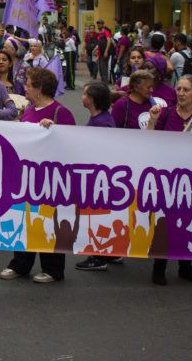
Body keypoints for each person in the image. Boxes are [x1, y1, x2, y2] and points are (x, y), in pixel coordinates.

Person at [0, 68, 76, 283]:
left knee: (48, 223)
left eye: (29, 84)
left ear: (40, 88)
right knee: (24, 220)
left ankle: (53, 269)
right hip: (26, 177)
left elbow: (73, 144)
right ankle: (21, 264)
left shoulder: (61, 113)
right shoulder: (30, 110)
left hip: (49, 180)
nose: (25, 88)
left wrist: (55, 131)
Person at [146, 75, 192, 285]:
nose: (181, 93)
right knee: (164, 223)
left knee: (188, 222)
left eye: (186, 89)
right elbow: (148, 141)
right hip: (167, 177)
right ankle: (159, 267)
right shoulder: (166, 114)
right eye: (178, 88)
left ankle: (185, 266)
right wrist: (152, 121)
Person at [75, 80, 118, 271]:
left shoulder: (102, 123)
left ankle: (99, 257)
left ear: (91, 99)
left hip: (101, 179)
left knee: (97, 216)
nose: (82, 97)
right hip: (100, 177)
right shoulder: (101, 119)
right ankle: (111, 252)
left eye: (84, 94)